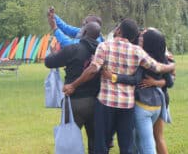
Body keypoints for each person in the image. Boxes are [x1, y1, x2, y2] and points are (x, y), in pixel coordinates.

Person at [63, 19, 175, 154]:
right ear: (134, 37)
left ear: (118, 31)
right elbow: (157, 67)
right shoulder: (137, 51)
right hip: (127, 105)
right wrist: (171, 66)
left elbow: (93, 70)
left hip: (106, 103)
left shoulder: (104, 46)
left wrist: (73, 85)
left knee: (102, 144)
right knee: (126, 146)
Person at [102, 28, 174, 154]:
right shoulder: (162, 58)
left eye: (142, 38)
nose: (140, 39)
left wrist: (113, 76)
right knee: (147, 139)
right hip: (158, 105)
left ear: (148, 43)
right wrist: (157, 82)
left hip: (142, 104)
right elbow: (170, 82)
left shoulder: (141, 59)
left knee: (147, 142)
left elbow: (135, 79)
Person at [45, 22, 101, 154]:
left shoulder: (73, 49)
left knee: (68, 141)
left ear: (85, 32)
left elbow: (49, 62)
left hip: (74, 102)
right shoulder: (102, 51)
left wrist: (54, 54)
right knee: (94, 141)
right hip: (96, 102)